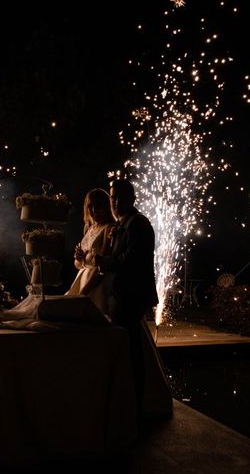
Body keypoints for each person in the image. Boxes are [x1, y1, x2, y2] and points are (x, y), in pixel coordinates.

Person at [94, 179, 172, 419]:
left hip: (132, 294)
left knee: (130, 349)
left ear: (132, 198)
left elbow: (131, 260)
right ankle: (131, 398)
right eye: (112, 197)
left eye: (119, 197)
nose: (115, 202)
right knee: (127, 346)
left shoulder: (139, 224)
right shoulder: (122, 224)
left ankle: (136, 402)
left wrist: (102, 261)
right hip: (121, 293)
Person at [66, 188, 115, 320]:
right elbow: (79, 264)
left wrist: (84, 292)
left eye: (98, 205)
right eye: (90, 206)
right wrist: (79, 258)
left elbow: (103, 263)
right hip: (83, 277)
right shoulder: (90, 228)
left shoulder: (109, 228)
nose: (93, 210)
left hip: (97, 282)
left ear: (106, 206)